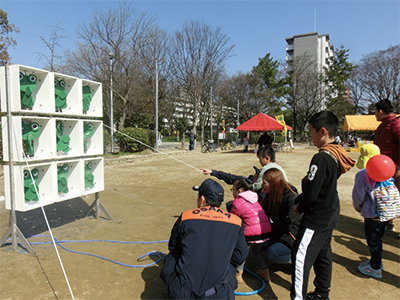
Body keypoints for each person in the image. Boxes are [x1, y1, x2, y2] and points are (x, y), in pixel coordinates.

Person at [291, 110, 356, 300]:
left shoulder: (321, 157)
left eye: (311, 133)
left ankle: (298, 298)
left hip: (317, 218)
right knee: (323, 253)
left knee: (300, 257)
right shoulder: (337, 152)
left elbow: (312, 192)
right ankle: (321, 293)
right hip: (330, 213)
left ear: (322, 131)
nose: (311, 138)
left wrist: (299, 206)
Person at [160, 178, 249, 299]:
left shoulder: (186, 217)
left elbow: (173, 247)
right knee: (229, 268)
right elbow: (239, 256)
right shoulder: (236, 221)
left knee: (170, 259)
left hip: (183, 293)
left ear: (202, 200)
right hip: (218, 295)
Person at [352, 147, 388, 279]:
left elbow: (358, 196)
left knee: (373, 242)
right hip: (386, 212)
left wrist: (359, 208)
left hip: (372, 214)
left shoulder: (363, 174)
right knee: (379, 239)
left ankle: (375, 268)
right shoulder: (386, 168)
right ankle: (376, 261)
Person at [229, 178, 272, 283]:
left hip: (252, 233)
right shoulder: (255, 199)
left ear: (239, 191)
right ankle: (264, 271)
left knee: (242, 250)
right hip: (265, 231)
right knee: (257, 250)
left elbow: (232, 220)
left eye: (232, 189)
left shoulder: (237, 202)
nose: (232, 192)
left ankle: (238, 273)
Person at [259, 168, 302, 273]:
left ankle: (301, 259)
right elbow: (260, 212)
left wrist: (265, 228)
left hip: (292, 236)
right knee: (259, 245)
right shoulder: (270, 195)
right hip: (278, 232)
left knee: (271, 253)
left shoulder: (291, 198)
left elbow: (286, 225)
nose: (262, 185)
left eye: (264, 183)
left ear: (273, 184)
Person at [374, 99, 400, 232]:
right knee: (386, 195)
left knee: (397, 195)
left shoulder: (395, 124)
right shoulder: (384, 124)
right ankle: (388, 222)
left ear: (380, 111)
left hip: (395, 168)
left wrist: (398, 165)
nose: (374, 114)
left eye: (375, 111)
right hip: (383, 168)